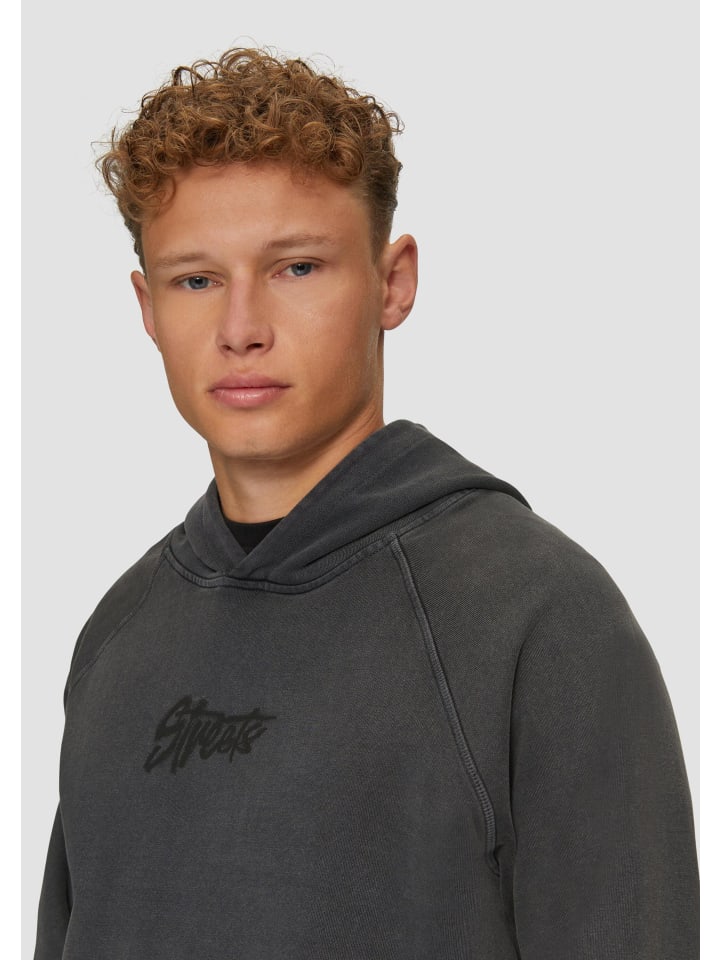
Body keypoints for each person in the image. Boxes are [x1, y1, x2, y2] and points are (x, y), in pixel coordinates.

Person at [34, 46, 698, 960]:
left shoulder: (539, 617)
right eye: (197, 279)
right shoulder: (120, 633)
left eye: (297, 268)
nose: (241, 329)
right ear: (148, 308)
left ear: (393, 282)